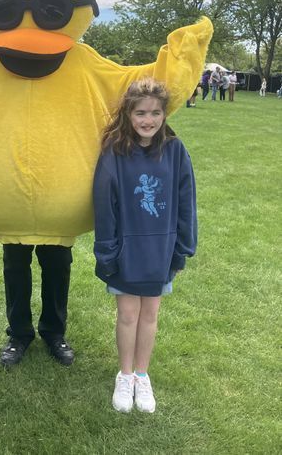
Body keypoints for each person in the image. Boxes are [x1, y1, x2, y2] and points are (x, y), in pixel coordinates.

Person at [93, 77, 197, 414]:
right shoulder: (114, 152)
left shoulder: (175, 151)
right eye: (140, 113)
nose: (148, 120)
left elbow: (186, 201)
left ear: (164, 114)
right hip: (126, 251)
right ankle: (124, 375)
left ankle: (142, 374)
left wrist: (182, 247)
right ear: (128, 113)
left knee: (150, 314)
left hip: (161, 251)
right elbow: (104, 205)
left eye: (155, 113)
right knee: (127, 314)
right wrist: (107, 252)